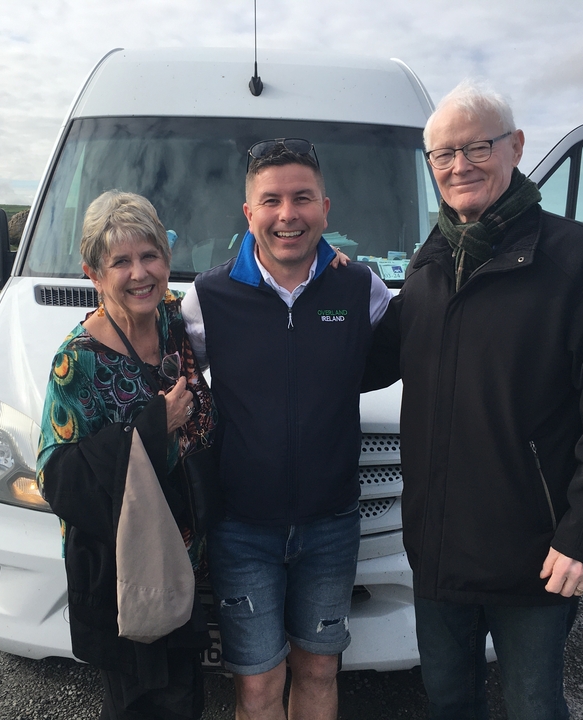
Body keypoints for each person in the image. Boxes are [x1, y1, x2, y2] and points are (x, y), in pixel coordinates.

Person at [364, 80, 583, 719]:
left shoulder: (578, 260)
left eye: (476, 147)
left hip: (534, 553)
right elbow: (371, 360)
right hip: (439, 546)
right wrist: (298, 302)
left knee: (533, 706)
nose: (459, 166)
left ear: (515, 146)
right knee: (448, 701)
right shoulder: (431, 264)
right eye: (443, 155)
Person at [181, 138, 392, 720]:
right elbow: (170, 374)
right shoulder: (208, 297)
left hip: (331, 524)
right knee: (257, 682)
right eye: (270, 200)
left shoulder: (360, 289)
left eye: (302, 198)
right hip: (242, 529)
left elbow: (393, 357)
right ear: (248, 213)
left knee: (321, 666)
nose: (287, 214)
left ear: (326, 207)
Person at [36, 190, 215, 720]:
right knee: (143, 704)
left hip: (184, 558)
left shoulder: (173, 322)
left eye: (150, 255)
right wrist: (156, 426)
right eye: (120, 261)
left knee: (186, 697)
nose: (140, 273)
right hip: (126, 569)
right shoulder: (77, 362)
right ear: (93, 272)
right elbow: (59, 478)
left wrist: (323, 261)